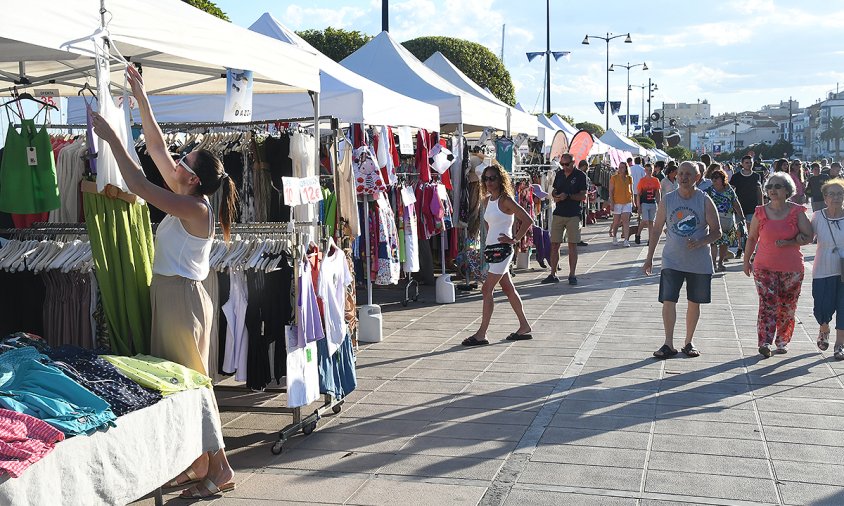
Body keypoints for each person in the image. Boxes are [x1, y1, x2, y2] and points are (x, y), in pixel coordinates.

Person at [90, 65, 237, 499]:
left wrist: (111, 139)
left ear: (191, 179)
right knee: (177, 381)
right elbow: (155, 144)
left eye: (183, 162)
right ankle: (196, 461)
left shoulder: (195, 209)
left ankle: (222, 464)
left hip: (183, 300)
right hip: (174, 295)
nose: (175, 162)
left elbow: (136, 181)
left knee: (190, 383)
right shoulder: (190, 196)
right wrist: (139, 94)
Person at [644, 161, 721, 359]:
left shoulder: (704, 200)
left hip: (699, 262)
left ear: (697, 178)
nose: (683, 177)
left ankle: (688, 342)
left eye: (688, 174)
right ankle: (668, 343)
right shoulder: (668, 200)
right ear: (676, 176)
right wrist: (649, 257)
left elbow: (717, 232)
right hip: (672, 260)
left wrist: (701, 241)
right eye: (680, 174)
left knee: (694, 302)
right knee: (668, 300)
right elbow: (655, 229)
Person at [463, 161, 534, 345]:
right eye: (486, 179)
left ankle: (481, 333)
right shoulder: (487, 200)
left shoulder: (505, 200)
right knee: (508, 289)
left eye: (493, 178)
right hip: (492, 250)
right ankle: (524, 326)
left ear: (500, 179)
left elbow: (527, 219)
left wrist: (515, 239)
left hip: (503, 251)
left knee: (487, 289)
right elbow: (489, 225)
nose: (489, 182)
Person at [743, 173, 812, 357]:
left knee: (787, 306)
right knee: (767, 303)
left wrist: (790, 242)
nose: (773, 190)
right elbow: (751, 238)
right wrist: (746, 260)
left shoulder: (797, 211)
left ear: (787, 190)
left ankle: (782, 341)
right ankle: (765, 341)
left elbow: (809, 236)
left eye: (778, 186)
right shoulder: (760, 212)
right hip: (764, 266)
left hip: (792, 268)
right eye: (770, 186)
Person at [811, 178, 844, 358]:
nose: (836, 197)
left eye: (840, 194)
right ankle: (824, 328)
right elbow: (806, 236)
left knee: (843, 306)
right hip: (823, 268)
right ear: (825, 197)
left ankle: (840, 344)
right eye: (832, 194)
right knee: (821, 306)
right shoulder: (817, 217)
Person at [543, 154, 588, 284]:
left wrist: (567, 196)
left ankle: (572, 275)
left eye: (567, 164)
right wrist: (555, 195)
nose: (564, 167)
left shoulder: (580, 176)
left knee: (572, 245)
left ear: (573, 163)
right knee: (554, 244)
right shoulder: (560, 174)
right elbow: (554, 190)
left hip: (573, 214)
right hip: (559, 212)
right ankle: (553, 274)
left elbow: (583, 196)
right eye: (562, 164)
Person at [705, 168, 744, 272]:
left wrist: (741, 215)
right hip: (713, 219)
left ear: (723, 179)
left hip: (727, 219)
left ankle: (720, 262)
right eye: (713, 177)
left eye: (717, 178)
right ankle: (713, 263)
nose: (714, 180)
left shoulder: (729, 190)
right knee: (713, 242)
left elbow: (736, 203)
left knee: (725, 242)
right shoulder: (709, 190)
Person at [730, 155, 764, 259]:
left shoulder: (756, 176)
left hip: (752, 206)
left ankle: (752, 251)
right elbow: (731, 191)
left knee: (751, 229)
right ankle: (740, 248)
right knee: (739, 230)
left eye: (750, 162)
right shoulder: (736, 176)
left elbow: (759, 191)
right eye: (747, 162)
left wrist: (761, 205)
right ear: (742, 164)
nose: (749, 164)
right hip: (739, 206)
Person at [609, 161, 634, 247]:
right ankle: (614, 236)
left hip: (627, 201)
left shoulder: (629, 178)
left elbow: (631, 190)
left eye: (622, 167)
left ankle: (626, 240)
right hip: (617, 202)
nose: (620, 169)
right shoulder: (614, 178)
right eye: (619, 167)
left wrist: (633, 202)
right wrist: (611, 203)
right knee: (616, 222)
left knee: (626, 221)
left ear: (626, 168)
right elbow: (611, 191)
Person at [636, 163, 662, 246]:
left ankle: (650, 239)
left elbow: (658, 193)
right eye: (647, 170)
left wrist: (659, 203)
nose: (649, 172)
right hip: (644, 203)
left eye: (650, 170)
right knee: (645, 221)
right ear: (645, 170)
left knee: (651, 222)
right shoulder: (642, 181)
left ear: (653, 170)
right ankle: (638, 234)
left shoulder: (655, 180)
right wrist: (638, 206)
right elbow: (639, 194)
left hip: (652, 203)